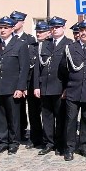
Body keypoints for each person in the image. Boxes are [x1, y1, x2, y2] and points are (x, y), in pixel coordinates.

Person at [0, 16, 30, 155]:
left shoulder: (20, 44)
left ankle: (14, 142)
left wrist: (21, 88)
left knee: (13, 117)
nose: (3, 30)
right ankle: (2, 141)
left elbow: (24, 68)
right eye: (1, 28)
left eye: (6, 28)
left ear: (12, 29)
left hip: (12, 88)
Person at [59, 20, 86, 161]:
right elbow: (63, 69)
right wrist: (65, 87)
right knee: (70, 120)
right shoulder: (70, 48)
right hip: (73, 90)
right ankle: (69, 148)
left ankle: (84, 147)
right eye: (81, 30)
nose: (84, 33)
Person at [34, 16, 73, 156]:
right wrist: (36, 86)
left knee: (61, 117)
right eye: (52, 27)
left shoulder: (69, 44)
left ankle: (60, 143)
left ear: (63, 28)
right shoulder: (44, 44)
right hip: (44, 86)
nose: (55, 30)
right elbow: (38, 68)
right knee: (47, 117)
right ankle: (48, 142)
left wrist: (67, 88)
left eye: (57, 27)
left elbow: (70, 69)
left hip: (59, 86)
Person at [10, 10, 36, 142]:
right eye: (12, 20)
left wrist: (25, 83)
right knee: (15, 108)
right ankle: (16, 132)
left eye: (17, 21)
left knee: (30, 108)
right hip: (12, 79)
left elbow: (30, 61)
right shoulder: (8, 38)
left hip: (28, 78)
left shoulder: (29, 39)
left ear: (23, 22)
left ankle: (27, 131)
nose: (14, 23)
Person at [25, 21, 49, 149]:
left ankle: (48, 137)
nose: (38, 34)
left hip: (46, 84)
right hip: (31, 84)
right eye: (37, 32)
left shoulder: (50, 46)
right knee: (33, 113)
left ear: (48, 33)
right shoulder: (31, 47)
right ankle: (35, 137)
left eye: (41, 32)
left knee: (47, 113)